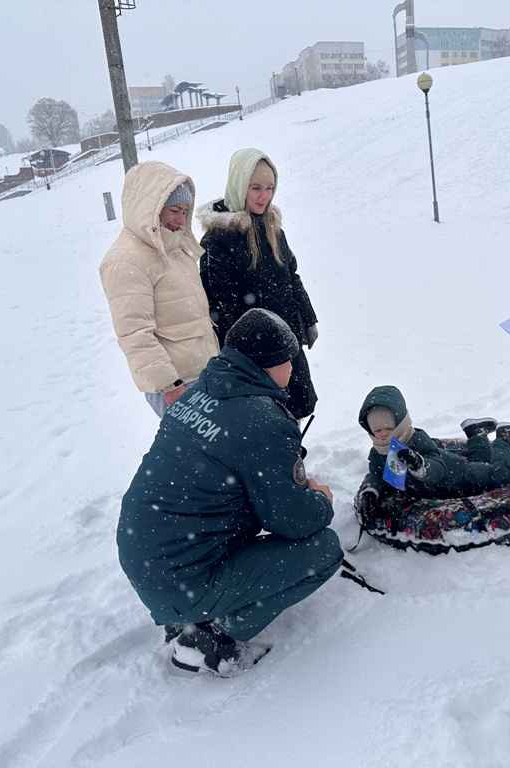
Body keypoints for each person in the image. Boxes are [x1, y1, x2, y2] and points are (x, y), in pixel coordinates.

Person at [116, 308, 342, 676]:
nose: (293, 368)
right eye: (289, 360)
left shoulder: (199, 392)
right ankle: (210, 635)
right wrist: (320, 501)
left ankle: (192, 610)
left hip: (145, 557)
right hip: (181, 576)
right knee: (324, 550)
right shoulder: (262, 421)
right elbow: (292, 521)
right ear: (267, 364)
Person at [197, 149, 319, 420]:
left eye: (269, 188)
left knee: (293, 409)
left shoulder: (273, 229)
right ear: (240, 185)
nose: (264, 196)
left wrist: (307, 319)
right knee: (264, 418)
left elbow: (291, 277)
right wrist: (251, 355)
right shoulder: (218, 240)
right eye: (256, 188)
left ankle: (292, 457)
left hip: (286, 340)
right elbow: (221, 307)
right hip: (255, 355)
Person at [99, 161, 218, 417]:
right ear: (150, 209)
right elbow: (135, 334)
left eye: (185, 211)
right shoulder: (125, 260)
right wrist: (170, 385)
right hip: (178, 384)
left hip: (206, 371)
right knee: (196, 454)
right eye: (175, 210)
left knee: (219, 452)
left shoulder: (175, 247)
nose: (181, 220)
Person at [356, 385, 510, 513]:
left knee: (498, 474)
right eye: (377, 430)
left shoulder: (416, 439)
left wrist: (420, 466)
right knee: (480, 462)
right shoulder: (378, 451)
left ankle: (504, 438)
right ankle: (477, 434)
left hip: (456, 477)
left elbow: (437, 467)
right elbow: (377, 474)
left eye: (388, 428)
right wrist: (371, 491)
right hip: (434, 487)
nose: (383, 434)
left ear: (399, 423)